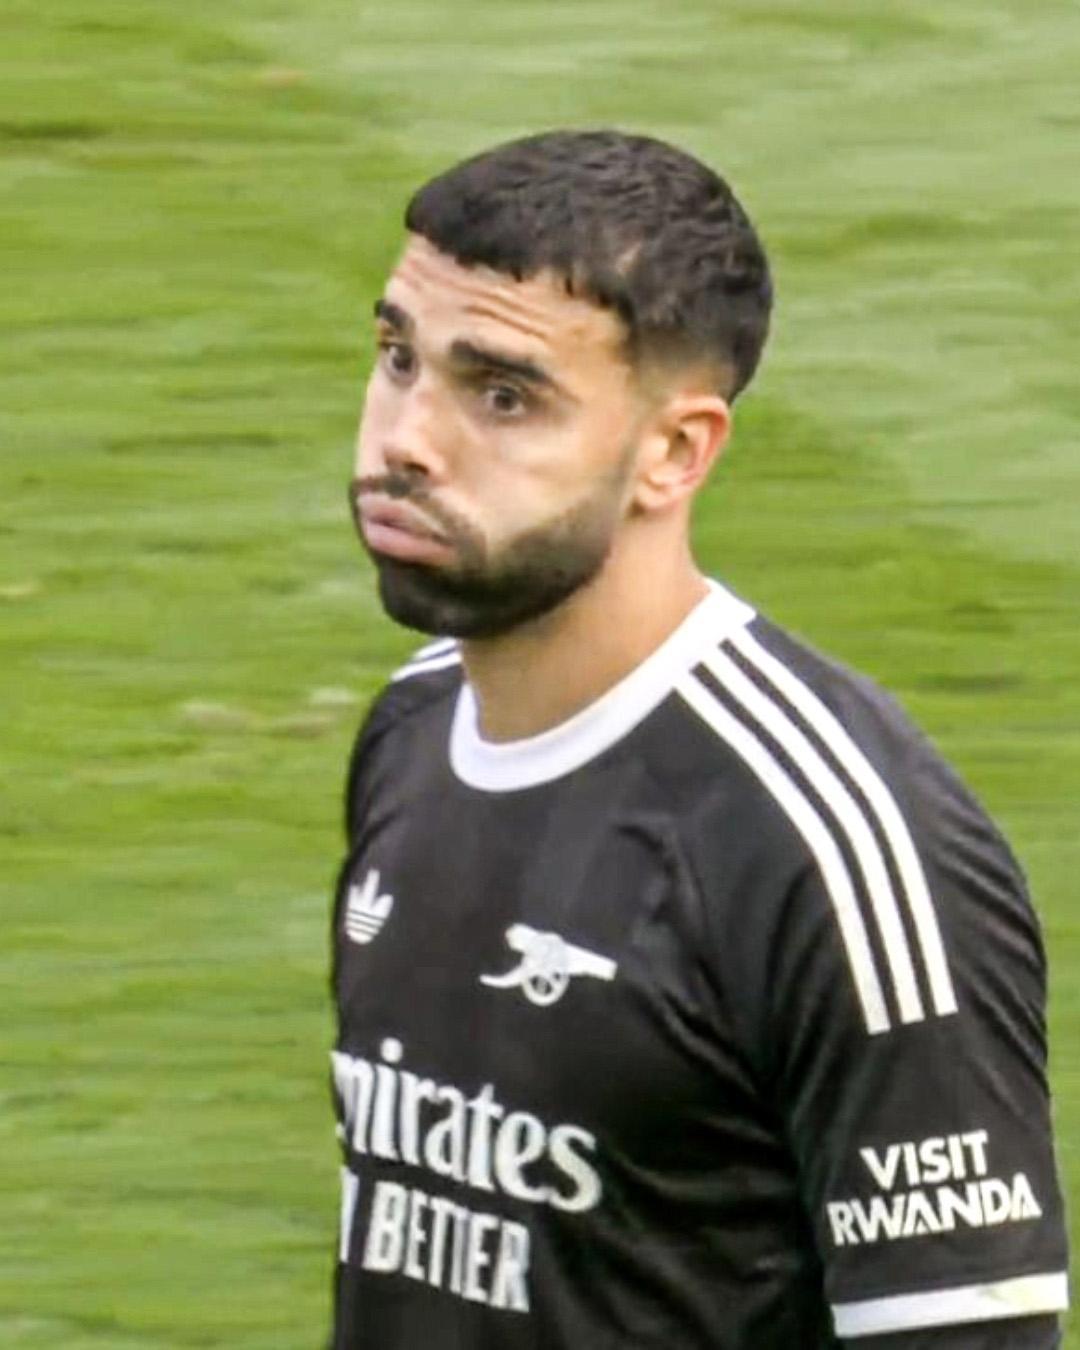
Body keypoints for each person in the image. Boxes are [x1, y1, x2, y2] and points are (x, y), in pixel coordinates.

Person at [330, 129, 1069, 1348]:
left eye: (503, 396)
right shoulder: (416, 728)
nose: (408, 437)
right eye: (399, 357)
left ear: (673, 453)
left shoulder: (835, 851)